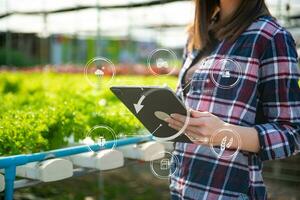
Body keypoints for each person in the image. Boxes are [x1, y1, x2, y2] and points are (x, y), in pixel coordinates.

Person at [165, 0, 300, 199]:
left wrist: (224, 132)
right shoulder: (197, 35)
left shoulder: (270, 36)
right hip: (181, 186)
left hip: (228, 191)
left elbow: (291, 134)